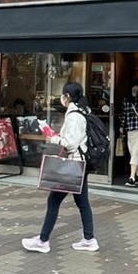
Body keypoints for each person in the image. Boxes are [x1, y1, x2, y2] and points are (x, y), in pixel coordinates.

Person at [22, 82, 98, 253]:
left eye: (63, 95)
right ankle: (89, 239)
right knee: (82, 203)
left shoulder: (74, 116)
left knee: (54, 200)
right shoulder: (82, 111)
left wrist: (52, 137)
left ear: (67, 96)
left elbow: (71, 143)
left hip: (72, 164)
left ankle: (43, 240)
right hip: (79, 164)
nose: (61, 98)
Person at [118, 81, 138, 187]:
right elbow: (124, 114)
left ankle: (131, 177)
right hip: (130, 130)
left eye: (137, 88)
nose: (134, 89)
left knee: (136, 152)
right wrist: (122, 126)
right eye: (133, 87)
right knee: (133, 153)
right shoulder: (126, 100)